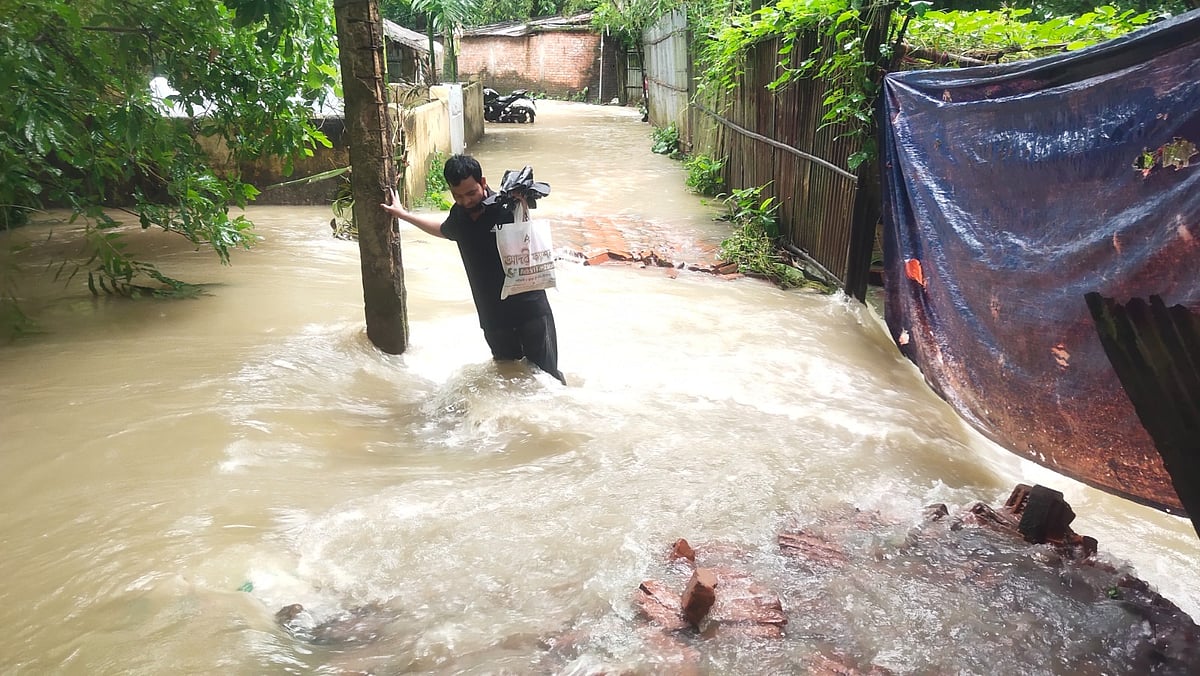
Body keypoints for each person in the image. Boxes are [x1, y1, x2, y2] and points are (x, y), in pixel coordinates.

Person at [380, 154, 566, 384]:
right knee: (507, 382)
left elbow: (526, 212)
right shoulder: (459, 217)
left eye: (471, 193)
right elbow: (442, 230)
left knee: (548, 382)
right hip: (494, 319)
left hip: (530, 312)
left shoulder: (507, 207)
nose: (466, 201)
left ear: (483, 182)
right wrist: (404, 215)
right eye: (458, 196)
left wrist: (522, 200)